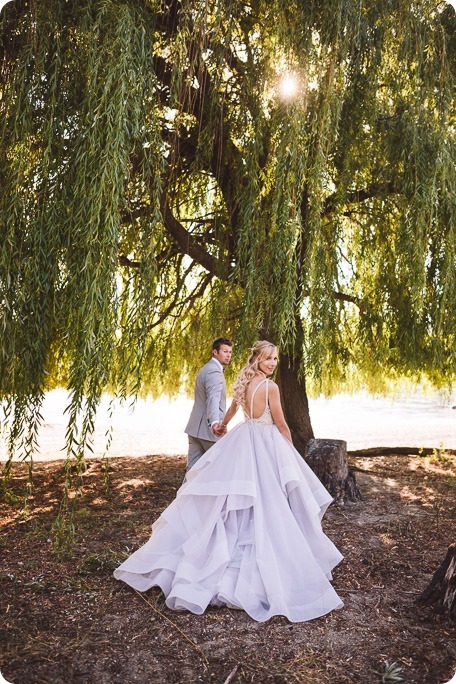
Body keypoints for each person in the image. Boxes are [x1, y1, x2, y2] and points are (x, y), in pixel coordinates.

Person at [114, 341, 343, 623]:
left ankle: (230, 561)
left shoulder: (244, 381)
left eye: (275, 359)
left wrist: (222, 425)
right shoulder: (270, 388)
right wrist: (290, 457)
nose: (273, 363)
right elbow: (281, 424)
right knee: (265, 500)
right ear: (257, 358)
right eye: (268, 358)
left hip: (244, 438)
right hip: (266, 441)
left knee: (242, 499)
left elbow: (234, 409)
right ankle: (257, 564)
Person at [184, 337, 233, 471]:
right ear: (215, 352)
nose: (228, 355)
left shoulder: (205, 368)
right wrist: (215, 423)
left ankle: (185, 492)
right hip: (210, 431)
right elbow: (213, 398)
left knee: (193, 470)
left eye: (230, 352)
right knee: (221, 468)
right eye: (225, 351)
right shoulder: (214, 371)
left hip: (195, 429)